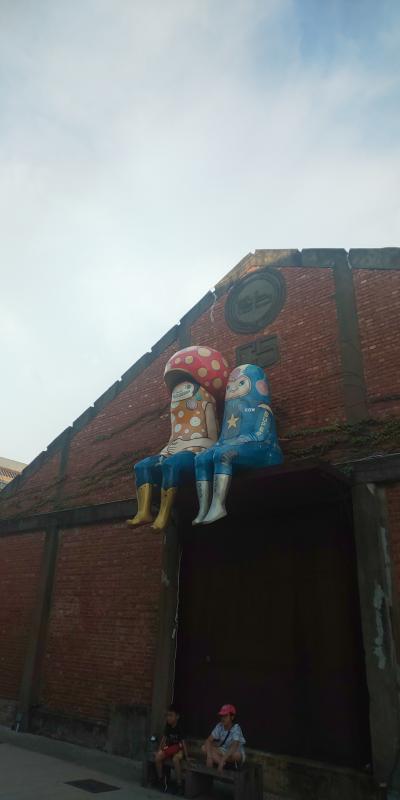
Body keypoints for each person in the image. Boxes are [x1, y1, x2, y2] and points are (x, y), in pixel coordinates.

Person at [155, 705, 189, 793]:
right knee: (158, 757)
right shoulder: (168, 726)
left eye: (171, 715)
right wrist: (159, 750)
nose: (168, 718)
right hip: (169, 748)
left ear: (177, 716)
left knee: (175, 759)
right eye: (167, 715)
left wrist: (187, 757)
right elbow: (164, 739)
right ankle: (161, 780)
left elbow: (183, 742)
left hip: (179, 749)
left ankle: (179, 784)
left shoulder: (180, 727)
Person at [202, 704, 246, 773]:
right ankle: (223, 764)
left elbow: (234, 746)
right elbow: (208, 740)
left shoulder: (236, 728)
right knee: (204, 748)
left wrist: (223, 759)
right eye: (222, 716)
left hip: (233, 752)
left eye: (225, 716)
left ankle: (220, 761)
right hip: (223, 750)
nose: (223, 718)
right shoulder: (219, 726)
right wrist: (209, 757)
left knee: (236, 755)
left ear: (232, 717)